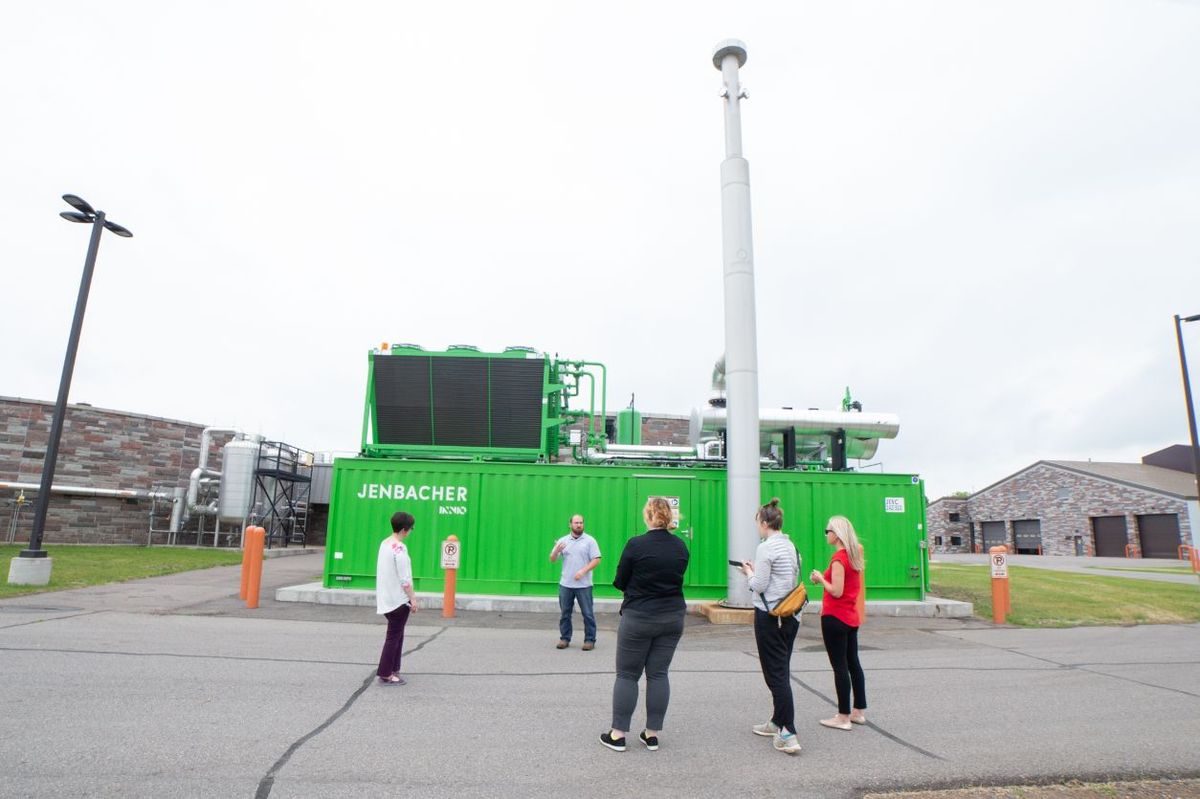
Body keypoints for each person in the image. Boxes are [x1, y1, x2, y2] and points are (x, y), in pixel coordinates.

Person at [600, 497, 690, 753]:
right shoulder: (681, 547)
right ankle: (651, 735)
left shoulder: (636, 545)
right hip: (672, 616)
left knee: (627, 675)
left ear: (649, 516)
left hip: (639, 616)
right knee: (659, 674)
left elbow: (619, 581)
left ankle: (617, 735)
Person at [739, 497, 802, 755]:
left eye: (757, 523)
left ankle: (788, 733)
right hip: (791, 614)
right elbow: (788, 577)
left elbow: (760, 585)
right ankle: (777, 720)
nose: (757, 527)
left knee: (774, 674)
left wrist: (748, 573)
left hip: (770, 615)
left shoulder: (765, 548)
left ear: (765, 523)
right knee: (782, 669)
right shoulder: (790, 545)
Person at [810, 514, 867, 730]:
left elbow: (836, 591)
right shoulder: (854, 557)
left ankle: (843, 717)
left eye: (828, 531)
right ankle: (858, 711)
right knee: (853, 663)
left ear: (836, 534)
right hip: (851, 617)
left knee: (839, 667)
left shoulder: (839, 560)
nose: (826, 534)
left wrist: (819, 578)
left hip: (835, 617)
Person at [376, 510, 418, 685]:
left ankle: (394, 668)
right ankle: (386, 672)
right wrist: (413, 599)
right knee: (394, 636)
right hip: (398, 600)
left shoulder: (385, 543)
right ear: (404, 530)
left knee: (397, 634)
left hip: (386, 597)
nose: (410, 531)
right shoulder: (399, 548)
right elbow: (405, 579)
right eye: (411, 528)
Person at [549, 514, 602, 650]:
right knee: (565, 614)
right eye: (576, 522)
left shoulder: (590, 541)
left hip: (584, 585)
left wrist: (583, 571)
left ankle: (590, 640)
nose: (579, 525)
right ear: (570, 524)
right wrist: (556, 551)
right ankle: (565, 639)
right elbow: (552, 559)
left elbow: (596, 559)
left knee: (588, 614)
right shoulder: (563, 541)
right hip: (566, 584)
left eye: (581, 522)